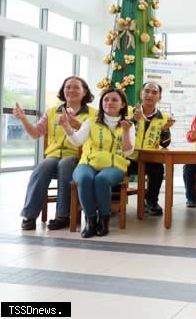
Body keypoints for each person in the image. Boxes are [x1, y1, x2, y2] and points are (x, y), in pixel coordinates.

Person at [16, 76, 95, 231]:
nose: (71, 90)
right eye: (68, 87)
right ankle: (29, 215)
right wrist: (24, 119)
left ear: (84, 91)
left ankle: (62, 216)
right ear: (63, 91)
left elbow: (95, 138)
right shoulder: (51, 112)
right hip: (53, 156)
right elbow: (35, 133)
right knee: (43, 165)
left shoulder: (93, 114)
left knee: (65, 164)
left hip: (78, 156)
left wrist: (76, 124)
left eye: (76, 87)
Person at [62, 88, 135, 238]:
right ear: (101, 103)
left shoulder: (129, 125)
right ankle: (90, 221)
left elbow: (128, 153)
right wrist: (66, 127)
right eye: (106, 99)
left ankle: (104, 220)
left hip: (114, 165)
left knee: (101, 180)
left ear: (123, 104)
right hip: (87, 163)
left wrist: (126, 131)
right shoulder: (91, 121)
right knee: (84, 178)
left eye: (115, 100)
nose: (109, 102)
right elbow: (77, 141)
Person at [126, 82, 175, 216]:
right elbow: (119, 131)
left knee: (158, 169)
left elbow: (165, 144)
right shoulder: (128, 111)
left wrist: (165, 130)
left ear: (159, 97)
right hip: (127, 156)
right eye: (147, 91)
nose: (150, 95)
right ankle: (113, 201)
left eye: (154, 93)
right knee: (116, 167)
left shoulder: (163, 117)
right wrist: (133, 120)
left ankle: (151, 201)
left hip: (149, 158)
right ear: (141, 94)